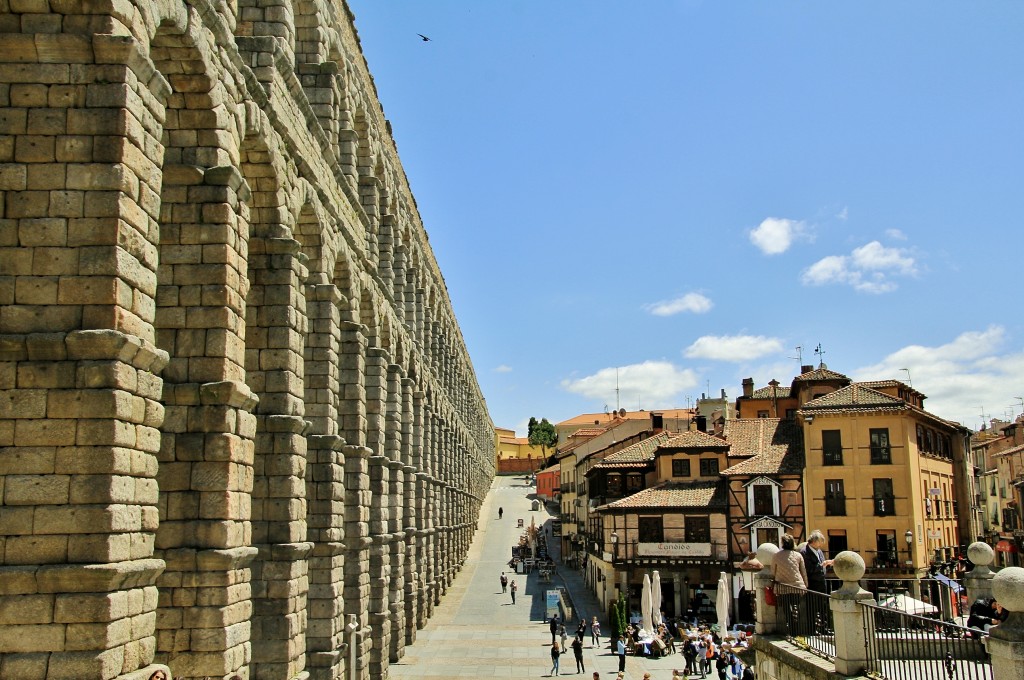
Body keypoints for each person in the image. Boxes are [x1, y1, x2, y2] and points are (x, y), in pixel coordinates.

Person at [772, 533, 808, 635]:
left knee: (786, 608)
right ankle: (796, 629)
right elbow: (803, 572)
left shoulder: (776, 556)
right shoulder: (798, 555)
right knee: (796, 606)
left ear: (782, 543)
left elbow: (773, 571)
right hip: (797, 586)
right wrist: (806, 585)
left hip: (782, 586)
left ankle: (790, 628)